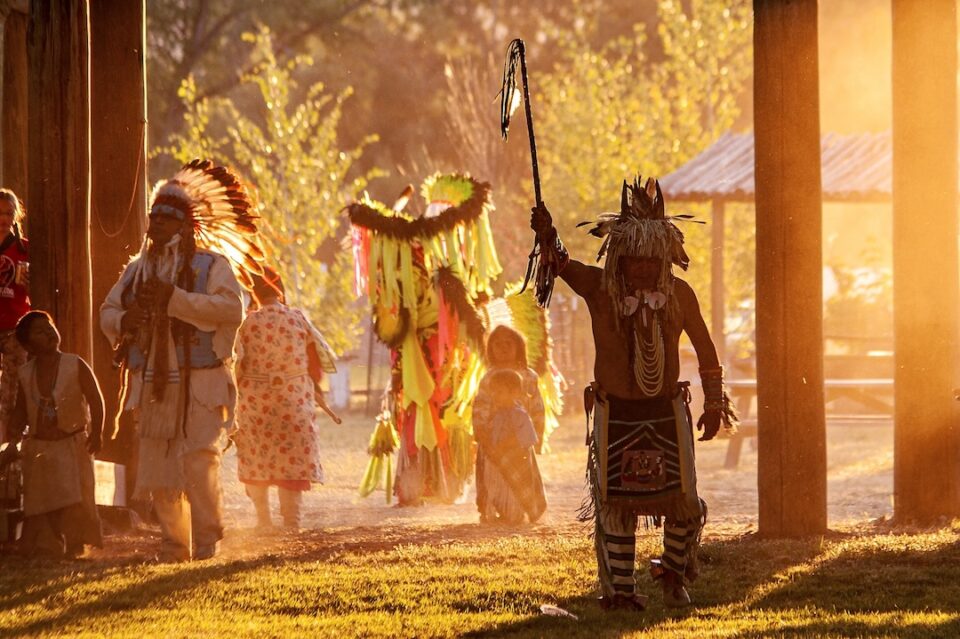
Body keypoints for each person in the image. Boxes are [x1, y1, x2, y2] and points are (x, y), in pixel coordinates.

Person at [528, 176, 736, 610]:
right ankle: (621, 592)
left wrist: (715, 404)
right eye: (634, 258)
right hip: (616, 414)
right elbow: (563, 263)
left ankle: (673, 578)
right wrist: (548, 234)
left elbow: (706, 350)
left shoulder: (680, 295)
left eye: (650, 258)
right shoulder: (601, 290)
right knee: (617, 508)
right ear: (620, 257)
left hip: (665, 412)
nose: (642, 266)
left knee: (685, 505)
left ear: (663, 255)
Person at [100, 160, 261, 562]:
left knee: (197, 458)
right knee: (158, 466)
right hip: (154, 380)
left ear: (183, 226)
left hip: (200, 380)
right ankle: (175, 543)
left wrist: (175, 300)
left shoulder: (211, 266)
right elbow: (107, 311)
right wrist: (126, 318)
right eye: (152, 218)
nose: (153, 226)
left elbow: (230, 310)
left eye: (164, 219)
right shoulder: (138, 271)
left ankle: (206, 538)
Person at [234, 267, 337, 530]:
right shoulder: (298, 319)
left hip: (257, 405)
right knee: (292, 462)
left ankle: (264, 521)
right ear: (280, 290)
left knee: (258, 459)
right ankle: (292, 522)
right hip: (294, 402)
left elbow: (237, 364)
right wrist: (312, 387)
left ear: (253, 292)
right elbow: (316, 362)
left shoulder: (246, 324)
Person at [2, 311, 103, 557]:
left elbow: (95, 399)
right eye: (39, 331)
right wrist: (13, 438)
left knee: (75, 499)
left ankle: (75, 545)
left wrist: (98, 432)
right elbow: (21, 411)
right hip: (41, 449)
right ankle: (48, 546)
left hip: (72, 442)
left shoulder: (75, 363)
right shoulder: (26, 373)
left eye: (49, 326)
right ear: (28, 346)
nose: (48, 331)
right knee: (43, 503)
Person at [471, 326, 546, 524]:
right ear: (490, 349)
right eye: (497, 344)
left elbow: (537, 408)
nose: (503, 348)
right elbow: (480, 406)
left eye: (508, 344)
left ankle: (517, 510)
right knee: (493, 477)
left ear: (519, 347)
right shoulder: (488, 377)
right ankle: (492, 510)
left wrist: (536, 435)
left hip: (519, 440)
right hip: (493, 438)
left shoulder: (529, 377)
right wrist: (482, 434)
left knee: (520, 477)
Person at [0, 189, 30, 444]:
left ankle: (11, 441)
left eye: (9, 213)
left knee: (12, 389)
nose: (3, 218)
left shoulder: (24, 249)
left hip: (14, 327)